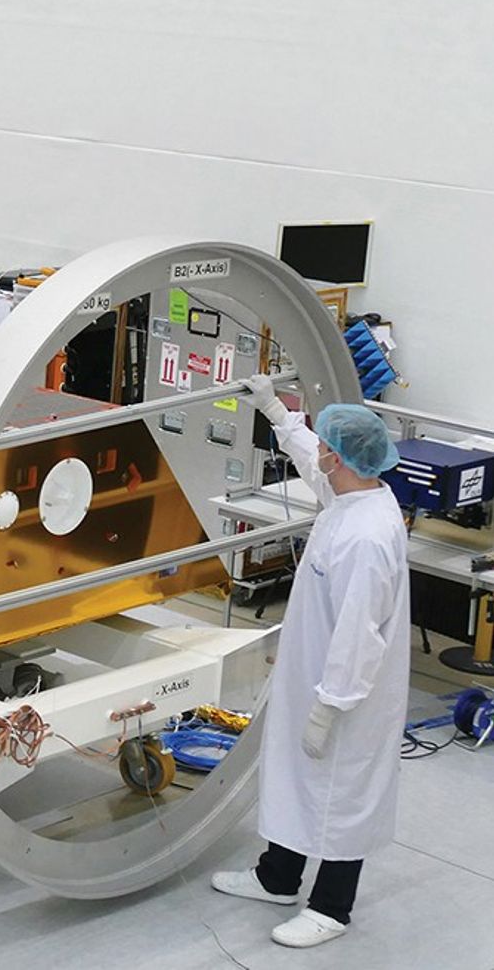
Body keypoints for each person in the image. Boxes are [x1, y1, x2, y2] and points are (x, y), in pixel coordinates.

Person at [211, 376, 409, 950]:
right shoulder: (351, 496)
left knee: (341, 793)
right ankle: (278, 877)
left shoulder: (368, 539)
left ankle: (332, 907)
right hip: (312, 677)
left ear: (342, 459)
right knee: (299, 781)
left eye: (327, 445)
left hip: (346, 694)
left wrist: (330, 705)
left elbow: (359, 636)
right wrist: (275, 409)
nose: (318, 450)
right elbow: (310, 459)